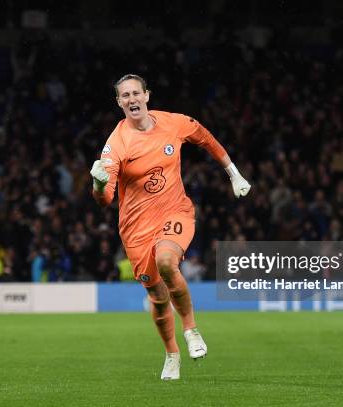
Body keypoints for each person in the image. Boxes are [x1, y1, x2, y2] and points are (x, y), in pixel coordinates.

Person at [90, 74, 251, 380]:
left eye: (136, 93)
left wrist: (233, 173)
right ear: (119, 103)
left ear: (147, 96)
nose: (132, 99)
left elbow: (205, 138)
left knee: (167, 261)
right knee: (157, 296)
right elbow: (105, 199)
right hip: (136, 228)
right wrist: (98, 184)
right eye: (125, 96)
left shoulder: (173, 123)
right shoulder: (117, 144)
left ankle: (191, 329)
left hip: (175, 211)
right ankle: (171, 353)